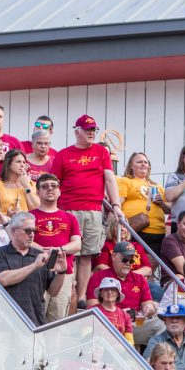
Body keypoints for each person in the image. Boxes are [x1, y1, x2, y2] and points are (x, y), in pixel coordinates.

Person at [50, 115, 120, 312]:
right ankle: (66, 291)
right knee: (67, 252)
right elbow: (54, 182)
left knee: (87, 254)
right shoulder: (63, 154)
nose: (91, 133)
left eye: (93, 130)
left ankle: (80, 296)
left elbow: (109, 179)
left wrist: (115, 205)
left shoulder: (101, 152)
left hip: (92, 209)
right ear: (77, 132)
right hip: (67, 209)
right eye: (87, 129)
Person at [0, 212, 67, 326]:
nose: (32, 235)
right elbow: (3, 279)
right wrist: (34, 265)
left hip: (34, 323)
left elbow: (53, 292)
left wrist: (61, 272)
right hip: (3, 324)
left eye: (34, 231)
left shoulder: (41, 255)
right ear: (13, 231)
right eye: (27, 230)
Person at [85, 241, 162, 344]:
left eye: (131, 261)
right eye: (125, 259)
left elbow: (147, 303)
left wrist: (149, 308)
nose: (128, 263)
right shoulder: (98, 277)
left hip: (135, 324)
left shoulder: (139, 279)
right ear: (113, 256)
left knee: (161, 325)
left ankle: (148, 359)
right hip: (109, 324)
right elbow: (92, 308)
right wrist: (119, 313)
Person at [30, 173, 81, 322]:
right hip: (37, 270)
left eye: (54, 186)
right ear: (37, 192)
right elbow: (25, 241)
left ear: (59, 191)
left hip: (62, 272)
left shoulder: (70, 217)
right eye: (44, 187)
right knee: (36, 317)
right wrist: (44, 250)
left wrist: (58, 250)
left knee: (58, 319)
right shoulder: (30, 216)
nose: (50, 189)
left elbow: (77, 244)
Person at [116, 151, 168, 257]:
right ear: (131, 166)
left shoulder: (158, 186)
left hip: (157, 232)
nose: (143, 164)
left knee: (150, 266)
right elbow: (119, 201)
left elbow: (168, 210)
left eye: (145, 162)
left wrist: (162, 203)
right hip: (135, 229)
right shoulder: (126, 181)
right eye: (139, 162)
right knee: (133, 262)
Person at [0, 149, 39, 215]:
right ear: (8, 163)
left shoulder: (33, 185)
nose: (22, 165)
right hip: (4, 223)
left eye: (24, 162)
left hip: (27, 223)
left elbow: (37, 210)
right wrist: (7, 216)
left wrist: (27, 186)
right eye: (18, 162)